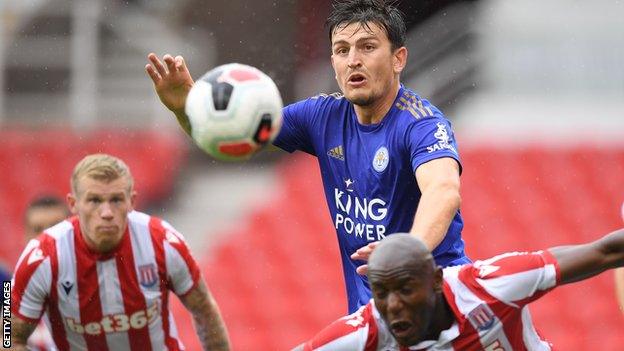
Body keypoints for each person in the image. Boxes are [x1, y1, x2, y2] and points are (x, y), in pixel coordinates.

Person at [145, 0, 469, 314]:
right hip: (373, 317)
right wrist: (186, 107)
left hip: (440, 308)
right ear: (334, 63)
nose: (353, 60)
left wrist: (409, 252)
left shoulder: (421, 123)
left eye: (367, 47)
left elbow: (442, 191)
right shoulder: (321, 116)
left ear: (398, 59)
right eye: (343, 50)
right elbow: (235, 138)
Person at [10, 154, 230, 351]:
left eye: (116, 200)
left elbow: (205, 311)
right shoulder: (42, 257)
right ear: (74, 204)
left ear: (132, 202)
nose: (106, 212)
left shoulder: (163, 242)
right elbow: (8, 336)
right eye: (94, 200)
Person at [293, 230, 624, 350]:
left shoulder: (491, 286)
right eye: (381, 293)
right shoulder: (369, 329)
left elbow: (605, 252)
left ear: (437, 280)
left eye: (406, 290)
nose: (392, 306)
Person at [22, 195, 70, 350]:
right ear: (26, 237)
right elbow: (6, 340)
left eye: (55, 227)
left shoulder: (96, 283)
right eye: (37, 229)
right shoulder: (11, 289)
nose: (46, 238)